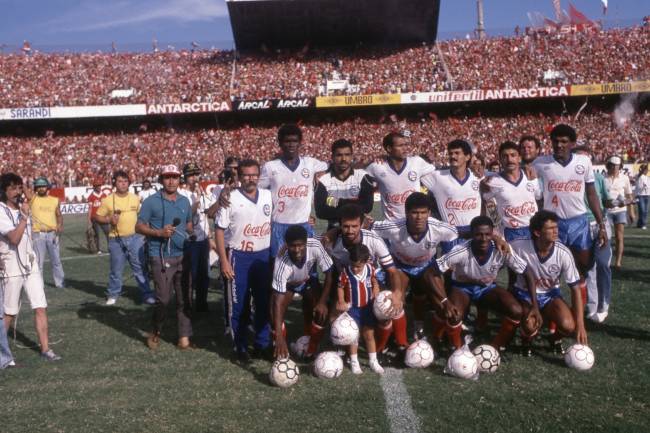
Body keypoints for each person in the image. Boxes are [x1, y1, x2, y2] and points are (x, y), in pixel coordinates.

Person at [423, 216, 537, 352]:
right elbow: (430, 273)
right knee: (454, 315)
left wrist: (535, 306)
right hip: (462, 288)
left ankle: (496, 346)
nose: (483, 239)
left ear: (492, 234)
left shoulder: (502, 249)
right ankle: (456, 349)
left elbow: (527, 272)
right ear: (471, 234)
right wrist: (445, 301)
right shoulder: (461, 250)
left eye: (487, 234)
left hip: (487, 288)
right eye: (478, 234)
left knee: (516, 310)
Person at [533, 124, 607, 306]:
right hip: (552, 224)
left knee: (583, 267)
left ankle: (579, 313)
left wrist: (601, 224)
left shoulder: (583, 162)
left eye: (564, 142)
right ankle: (552, 319)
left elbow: (591, 194)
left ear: (572, 143)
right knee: (550, 271)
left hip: (578, 222)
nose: (559, 145)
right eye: (556, 141)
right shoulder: (540, 163)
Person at [371, 192, 458, 343]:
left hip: (427, 267)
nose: (419, 217)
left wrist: (447, 255)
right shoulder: (394, 226)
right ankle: (399, 341)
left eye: (423, 212)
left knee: (439, 302)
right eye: (414, 212)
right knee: (396, 300)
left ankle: (428, 332)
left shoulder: (439, 228)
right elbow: (369, 227)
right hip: (401, 266)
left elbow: (453, 234)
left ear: (429, 213)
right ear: (406, 213)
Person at [325, 204, 402, 362]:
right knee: (334, 312)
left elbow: (392, 271)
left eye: (354, 226)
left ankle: (380, 347)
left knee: (385, 311)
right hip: (345, 283)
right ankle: (342, 344)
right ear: (340, 226)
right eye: (346, 226)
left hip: (373, 282)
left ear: (361, 224)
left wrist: (397, 293)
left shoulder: (373, 240)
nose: (350, 230)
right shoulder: (331, 242)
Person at [215, 159, 273, 363]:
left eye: (254, 174)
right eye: (246, 175)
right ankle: (239, 346)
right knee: (238, 305)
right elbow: (219, 231)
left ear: (259, 175)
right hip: (238, 256)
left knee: (264, 303)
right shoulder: (229, 198)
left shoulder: (267, 195)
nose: (250, 179)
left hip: (263, 256)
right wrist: (223, 260)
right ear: (239, 177)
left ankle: (262, 344)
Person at [0, 173, 60, 361]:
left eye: (19, 187)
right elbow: (14, 238)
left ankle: (46, 349)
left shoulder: (22, 208)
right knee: (9, 311)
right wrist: (25, 218)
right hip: (11, 267)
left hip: (30, 264)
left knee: (40, 306)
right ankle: (2, 352)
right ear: (4, 192)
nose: (18, 192)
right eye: (13, 188)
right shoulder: (1, 211)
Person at [510, 210, 588, 355]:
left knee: (569, 326)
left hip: (550, 295)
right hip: (524, 294)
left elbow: (575, 289)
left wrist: (581, 325)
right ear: (537, 233)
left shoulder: (563, 253)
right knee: (529, 325)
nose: (556, 231)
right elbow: (501, 251)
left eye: (556, 227)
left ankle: (554, 339)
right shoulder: (518, 246)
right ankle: (526, 340)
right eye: (550, 228)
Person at [136, 165, 194, 350]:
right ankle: (156, 330)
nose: (171, 181)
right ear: (161, 180)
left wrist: (189, 232)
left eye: (175, 177)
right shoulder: (151, 201)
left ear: (179, 179)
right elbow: (138, 227)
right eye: (167, 177)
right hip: (160, 256)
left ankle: (184, 336)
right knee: (164, 299)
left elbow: (189, 222)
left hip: (183, 255)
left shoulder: (185, 201)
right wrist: (159, 232)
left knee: (185, 298)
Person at [258, 124, 328, 258]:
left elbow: (332, 167)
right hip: (279, 225)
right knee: (279, 265)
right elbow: (258, 192)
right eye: (287, 141)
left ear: (300, 143)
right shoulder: (270, 167)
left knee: (307, 265)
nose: (291, 144)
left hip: (304, 225)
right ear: (280, 143)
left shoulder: (310, 163)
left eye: (294, 141)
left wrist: (318, 175)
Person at [272, 225, 334, 360]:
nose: (297, 250)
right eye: (293, 246)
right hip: (289, 284)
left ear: (306, 242)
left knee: (321, 311)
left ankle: (311, 348)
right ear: (286, 245)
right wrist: (279, 336)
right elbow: (277, 301)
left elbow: (329, 274)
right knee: (275, 313)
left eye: (300, 245)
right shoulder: (281, 263)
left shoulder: (316, 246)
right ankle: (280, 349)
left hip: (308, 280)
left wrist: (322, 302)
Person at [94, 170, 154, 305]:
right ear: (114, 182)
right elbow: (97, 216)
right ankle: (113, 294)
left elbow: (142, 216)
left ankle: (147, 294)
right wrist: (109, 219)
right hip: (116, 239)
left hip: (136, 238)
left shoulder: (135, 198)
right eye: (120, 181)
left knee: (139, 267)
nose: (123, 184)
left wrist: (145, 233)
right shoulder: (108, 200)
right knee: (116, 269)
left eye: (125, 181)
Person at [573, 146, 613, 324]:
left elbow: (606, 200)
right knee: (588, 268)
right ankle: (592, 306)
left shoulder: (599, 178)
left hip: (600, 224)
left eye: (586, 159)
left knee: (603, 263)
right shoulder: (570, 179)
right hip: (581, 226)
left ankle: (603, 304)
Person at [421, 139, 481, 254]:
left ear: (468, 157)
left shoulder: (478, 178)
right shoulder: (437, 177)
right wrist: (386, 159)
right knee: (451, 270)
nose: (453, 156)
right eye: (450, 153)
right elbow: (412, 169)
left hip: (475, 232)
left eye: (457, 153)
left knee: (476, 270)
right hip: (451, 233)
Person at [365, 131, 435, 221]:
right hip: (392, 226)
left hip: (415, 223)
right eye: (401, 146)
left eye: (406, 145)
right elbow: (361, 182)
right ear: (389, 148)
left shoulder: (417, 162)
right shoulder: (376, 167)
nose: (405, 148)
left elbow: (438, 177)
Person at [336, 244, 384, 374]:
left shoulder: (370, 269)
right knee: (353, 336)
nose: (355, 269)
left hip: (367, 308)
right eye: (353, 265)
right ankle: (354, 361)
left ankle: (373, 360)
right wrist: (341, 301)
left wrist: (376, 288)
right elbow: (340, 287)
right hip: (352, 310)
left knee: (369, 334)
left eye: (359, 266)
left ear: (366, 261)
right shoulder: (346, 272)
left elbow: (374, 280)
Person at [481, 141, 541, 242]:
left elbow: (539, 197)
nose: (509, 160)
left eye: (513, 155)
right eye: (505, 156)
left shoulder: (530, 175)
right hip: (511, 233)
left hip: (534, 229)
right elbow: (485, 203)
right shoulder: (492, 182)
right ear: (500, 160)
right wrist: (495, 227)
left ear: (519, 157)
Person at [314, 139, 374, 229]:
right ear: (332, 157)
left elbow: (367, 206)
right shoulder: (323, 180)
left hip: (359, 229)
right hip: (333, 230)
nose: (344, 159)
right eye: (339, 155)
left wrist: (335, 201)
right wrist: (353, 203)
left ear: (352, 156)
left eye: (347, 155)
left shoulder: (363, 177)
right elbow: (321, 212)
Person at [180, 162, 214, 312]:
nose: (194, 178)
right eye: (191, 175)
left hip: (203, 239)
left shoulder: (202, 192)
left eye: (196, 174)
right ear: (185, 177)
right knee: (189, 276)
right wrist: (197, 199)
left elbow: (206, 214)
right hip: (189, 241)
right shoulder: (182, 194)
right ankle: (187, 304)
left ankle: (202, 304)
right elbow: (187, 215)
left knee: (204, 274)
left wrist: (210, 234)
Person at [30, 176, 65, 288]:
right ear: (35, 188)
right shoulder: (32, 198)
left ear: (47, 187)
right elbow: (25, 190)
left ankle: (60, 283)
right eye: (39, 186)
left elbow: (59, 215)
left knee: (56, 261)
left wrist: (59, 225)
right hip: (38, 234)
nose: (41, 188)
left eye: (43, 186)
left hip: (52, 234)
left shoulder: (54, 200)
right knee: (38, 262)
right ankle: (38, 285)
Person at [604, 155, 635, 269]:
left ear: (620, 166)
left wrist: (631, 211)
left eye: (617, 166)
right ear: (608, 166)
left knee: (619, 237)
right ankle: (606, 260)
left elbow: (629, 195)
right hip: (607, 210)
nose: (615, 168)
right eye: (612, 166)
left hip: (621, 210)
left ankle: (618, 261)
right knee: (605, 237)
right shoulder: (604, 178)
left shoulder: (624, 178)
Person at [87, 178, 109, 254]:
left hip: (103, 217)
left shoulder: (104, 195)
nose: (99, 187)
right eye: (97, 186)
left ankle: (110, 248)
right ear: (94, 187)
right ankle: (98, 249)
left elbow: (107, 207)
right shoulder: (91, 196)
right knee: (97, 234)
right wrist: (89, 220)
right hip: (94, 218)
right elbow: (90, 209)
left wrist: (108, 215)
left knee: (108, 232)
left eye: (100, 185)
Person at [636, 163, 650, 230]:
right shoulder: (639, 177)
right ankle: (643, 224)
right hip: (640, 195)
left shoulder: (647, 178)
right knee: (642, 210)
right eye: (646, 170)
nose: (647, 171)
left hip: (647, 195)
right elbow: (639, 187)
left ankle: (640, 223)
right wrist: (643, 187)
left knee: (645, 210)